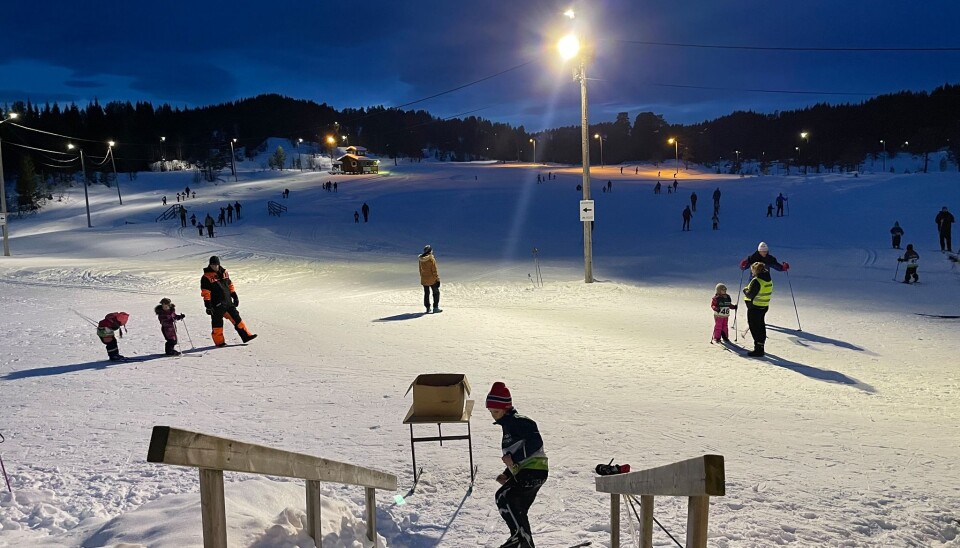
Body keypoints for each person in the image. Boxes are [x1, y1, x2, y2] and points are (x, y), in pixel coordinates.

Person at [486, 382, 548, 548]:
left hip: (533, 471)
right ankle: (524, 542)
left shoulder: (519, 422)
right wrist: (507, 473)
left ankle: (520, 539)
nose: (493, 415)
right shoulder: (508, 425)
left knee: (504, 496)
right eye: (491, 411)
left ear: (506, 408)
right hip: (529, 472)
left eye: (496, 411)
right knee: (517, 508)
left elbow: (535, 442)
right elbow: (515, 452)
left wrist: (513, 459)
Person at [200, 255, 257, 347]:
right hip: (216, 305)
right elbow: (206, 292)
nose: (215, 267)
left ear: (219, 264)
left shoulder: (224, 273)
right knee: (217, 323)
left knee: (237, 319)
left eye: (216, 265)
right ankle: (219, 342)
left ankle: (246, 336)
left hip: (228, 302)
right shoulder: (206, 277)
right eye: (212, 265)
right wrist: (208, 305)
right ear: (209, 265)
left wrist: (234, 295)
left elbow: (230, 285)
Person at [743, 262, 773, 357]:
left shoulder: (757, 281)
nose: (752, 272)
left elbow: (750, 294)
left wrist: (745, 291)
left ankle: (758, 349)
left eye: (752, 270)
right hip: (764, 306)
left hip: (755, 307)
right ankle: (761, 346)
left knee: (755, 327)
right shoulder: (768, 279)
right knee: (761, 326)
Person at [419, 245, 441, 313]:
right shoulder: (431, 259)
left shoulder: (421, 259)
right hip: (432, 279)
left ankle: (427, 308)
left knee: (426, 293)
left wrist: (422, 277)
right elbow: (434, 270)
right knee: (436, 293)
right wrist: (437, 279)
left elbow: (420, 269)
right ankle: (435, 307)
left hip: (424, 279)